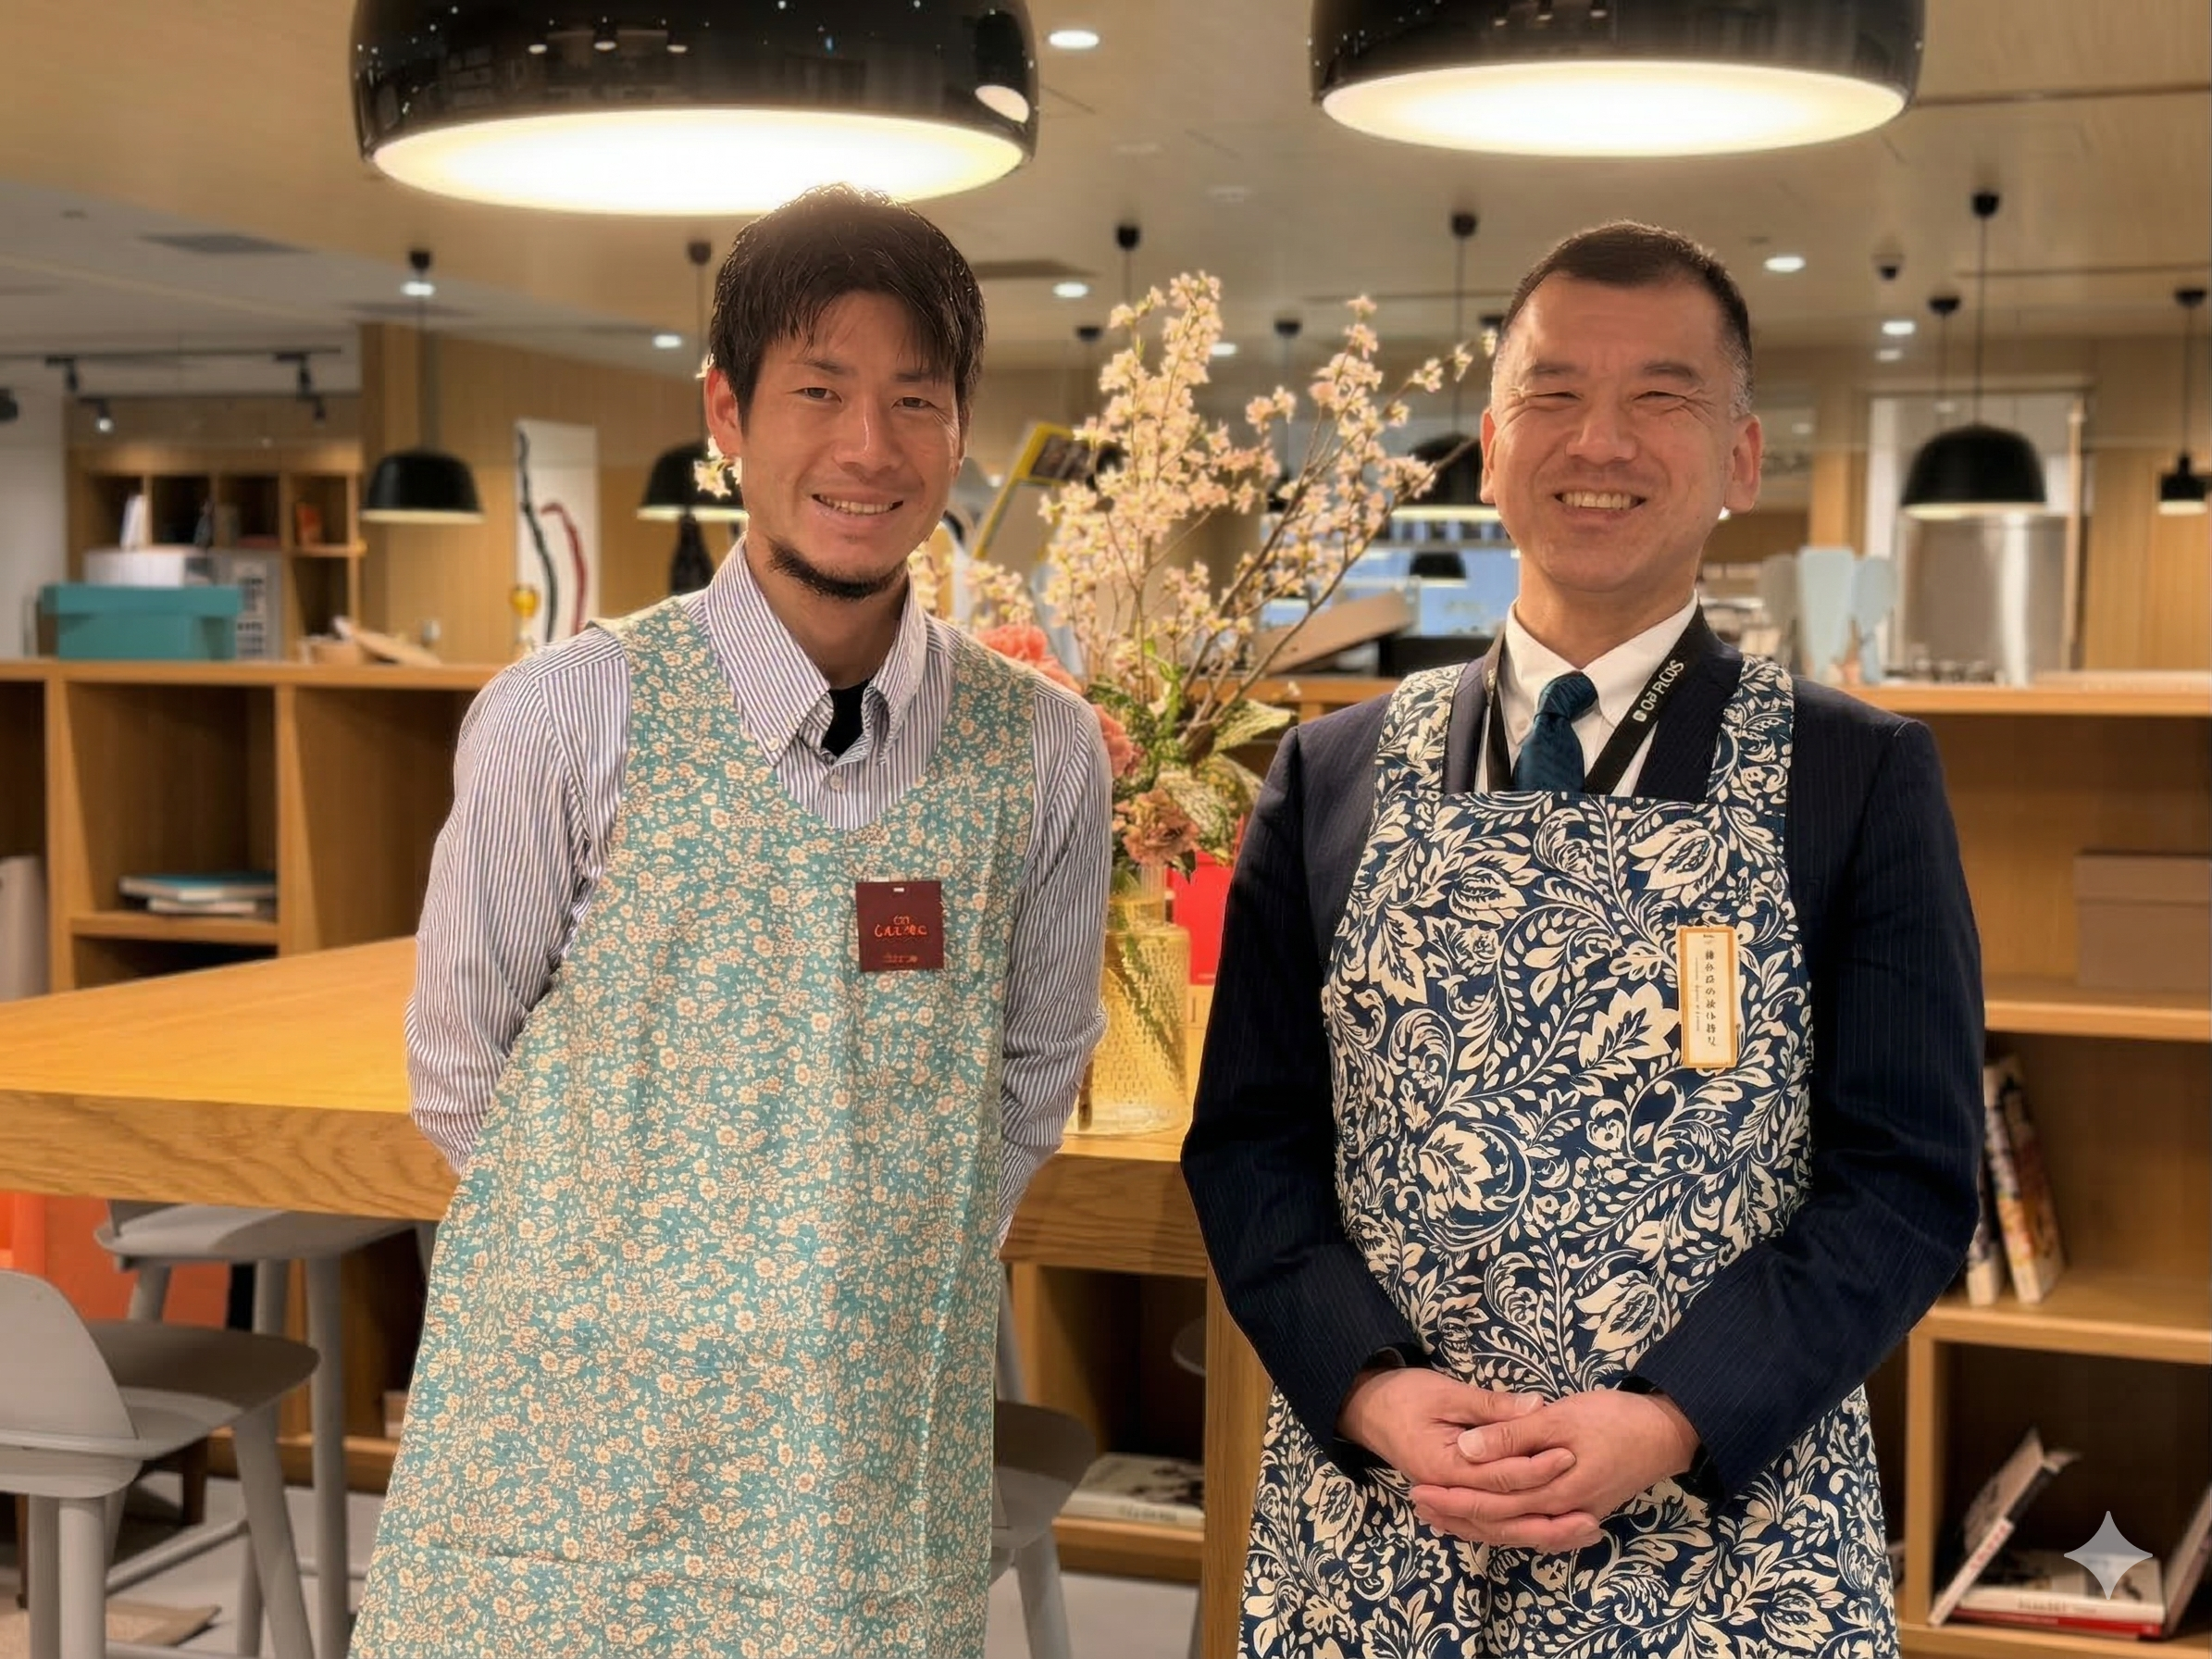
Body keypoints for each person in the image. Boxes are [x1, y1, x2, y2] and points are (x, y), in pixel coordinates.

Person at [1183, 221, 1982, 1656]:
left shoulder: (1851, 775)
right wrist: (1369, 1390)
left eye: (1660, 396)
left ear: (1739, 458)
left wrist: (1670, 1416)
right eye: (1550, 394)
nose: (1597, 440)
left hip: (1724, 1547)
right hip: (1381, 1532)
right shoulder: (1329, 772)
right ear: (1490, 450)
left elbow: (1904, 1185)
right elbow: (1252, 1146)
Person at [354, 184, 1112, 1658]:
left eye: (913, 399)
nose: (867, 446)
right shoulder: (565, 714)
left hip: (859, 1427)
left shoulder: (1041, 748)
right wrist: (640, 1280)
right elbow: (460, 1063)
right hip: (578, 1421)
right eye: (817, 391)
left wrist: (882, 1256)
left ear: (958, 428)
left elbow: (1035, 1066)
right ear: (727, 413)